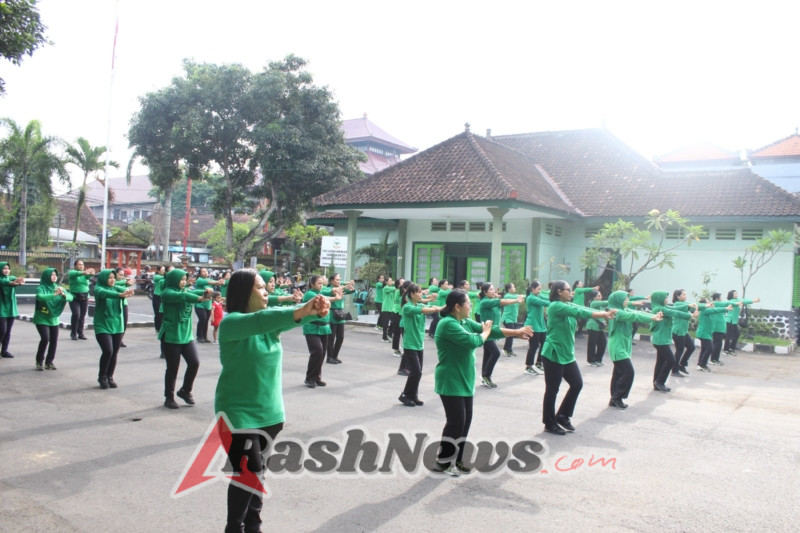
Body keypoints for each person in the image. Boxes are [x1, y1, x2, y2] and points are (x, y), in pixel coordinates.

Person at [214, 268, 329, 533]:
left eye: (267, 287)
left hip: (270, 415)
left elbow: (278, 320)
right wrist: (304, 310)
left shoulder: (269, 329)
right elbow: (263, 319)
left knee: (256, 475)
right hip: (237, 413)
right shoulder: (232, 323)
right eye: (260, 287)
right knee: (249, 473)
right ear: (243, 291)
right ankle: (234, 528)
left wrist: (311, 309)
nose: (266, 292)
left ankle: (253, 526)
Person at [433, 290, 532, 475]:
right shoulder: (447, 324)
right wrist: (485, 331)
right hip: (450, 381)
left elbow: (489, 331)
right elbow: (475, 340)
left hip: (465, 379)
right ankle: (443, 462)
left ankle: (458, 459)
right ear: (457, 306)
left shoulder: (463, 321)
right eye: (468, 303)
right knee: (455, 422)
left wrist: (516, 332)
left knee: (465, 422)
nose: (471, 306)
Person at [541, 280, 616, 435]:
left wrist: (603, 314)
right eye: (569, 290)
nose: (572, 292)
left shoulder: (567, 305)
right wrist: (603, 314)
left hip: (567, 355)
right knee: (552, 390)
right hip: (553, 353)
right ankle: (549, 423)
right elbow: (580, 313)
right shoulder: (555, 306)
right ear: (559, 291)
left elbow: (580, 308)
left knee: (577, 384)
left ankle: (563, 415)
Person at [159, 268, 212, 408]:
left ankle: (185, 391)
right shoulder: (167, 293)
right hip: (171, 335)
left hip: (186, 335)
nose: (183, 282)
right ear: (173, 280)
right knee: (172, 368)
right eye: (181, 280)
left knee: (194, 363)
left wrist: (204, 292)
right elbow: (184, 297)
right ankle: (168, 397)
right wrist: (200, 298)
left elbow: (191, 292)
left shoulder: (185, 291)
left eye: (184, 280)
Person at [606, 290, 663, 409]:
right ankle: (617, 397)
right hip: (617, 345)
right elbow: (634, 315)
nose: (627, 301)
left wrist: (652, 316)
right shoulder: (617, 312)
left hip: (624, 345)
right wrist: (652, 318)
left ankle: (614, 398)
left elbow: (634, 312)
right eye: (625, 299)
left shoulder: (624, 309)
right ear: (618, 300)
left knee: (618, 373)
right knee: (628, 372)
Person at [398, 283, 441, 407]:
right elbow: (426, 310)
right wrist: (439, 307)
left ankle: (413, 395)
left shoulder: (418, 304)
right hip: (410, 344)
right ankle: (405, 395)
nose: (421, 293)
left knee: (418, 371)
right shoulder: (407, 307)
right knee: (416, 371)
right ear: (412, 294)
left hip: (419, 343)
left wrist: (438, 304)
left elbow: (428, 305)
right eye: (419, 291)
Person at [477, 283, 524, 388]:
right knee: (495, 353)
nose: (493, 291)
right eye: (491, 290)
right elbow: (502, 301)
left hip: (493, 332)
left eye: (494, 289)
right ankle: (486, 376)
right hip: (487, 332)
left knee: (488, 353)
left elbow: (502, 302)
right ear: (485, 292)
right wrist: (517, 300)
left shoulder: (492, 301)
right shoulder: (485, 302)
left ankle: (485, 376)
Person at [94, 269, 134, 388]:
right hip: (102, 324)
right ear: (103, 279)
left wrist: (127, 290)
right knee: (108, 351)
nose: (112, 280)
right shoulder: (98, 289)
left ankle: (110, 376)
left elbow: (123, 289)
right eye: (109, 278)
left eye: (113, 278)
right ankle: (102, 376)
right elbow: (105, 293)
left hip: (117, 325)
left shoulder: (116, 287)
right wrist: (119, 295)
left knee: (114, 352)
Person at [649, 291, 696, 392]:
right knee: (671, 360)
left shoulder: (661, 307)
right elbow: (675, 313)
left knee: (660, 362)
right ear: (659, 299)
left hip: (662, 339)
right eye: (665, 298)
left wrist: (689, 306)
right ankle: (660, 382)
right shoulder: (659, 309)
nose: (667, 299)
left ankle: (656, 382)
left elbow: (674, 308)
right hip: (661, 339)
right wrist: (690, 315)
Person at [302, 275, 341, 388]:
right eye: (318, 283)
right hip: (312, 328)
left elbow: (328, 291)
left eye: (322, 283)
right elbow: (321, 298)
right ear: (312, 284)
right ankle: (309, 378)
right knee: (317, 352)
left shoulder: (322, 291)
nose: (321, 285)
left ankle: (317, 377)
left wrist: (339, 289)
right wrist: (335, 298)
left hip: (324, 327)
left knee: (322, 353)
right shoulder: (309, 294)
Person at [33, 268, 73, 371]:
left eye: (55, 274)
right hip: (41, 318)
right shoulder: (41, 288)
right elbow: (40, 297)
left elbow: (71, 297)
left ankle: (49, 362)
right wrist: (54, 294)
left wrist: (64, 295)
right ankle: (39, 361)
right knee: (45, 338)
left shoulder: (59, 288)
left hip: (54, 319)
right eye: (52, 275)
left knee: (54, 340)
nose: (54, 276)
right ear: (47, 276)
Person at [326, 273, 355, 364]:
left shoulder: (340, 288)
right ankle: (329, 357)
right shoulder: (329, 289)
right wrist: (346, 284)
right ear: (331, 281)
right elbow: (338, 288)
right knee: (331, 338)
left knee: (340, 337)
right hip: (332, 314)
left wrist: (351, 288)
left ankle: (335, 356)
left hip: (340, 314)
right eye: (337, 280)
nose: (339, 281)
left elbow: (350, 291)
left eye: (339, 279)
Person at [695, 298, 730, 372]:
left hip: (706, 333)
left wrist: (725, 308)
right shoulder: (705, 310)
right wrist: (726, 308)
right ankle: (702, 364)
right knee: (710, 348)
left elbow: (715, 309)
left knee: (704, 349)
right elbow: (715, 310)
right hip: (703, 333)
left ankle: (700, 364)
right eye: (708, 303)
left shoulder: (708, 311)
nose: (711, 303)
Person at [523, 280, 549, 376]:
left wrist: (556, 298)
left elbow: (547, 298)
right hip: (532, 325)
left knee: (544, 344)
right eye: (538, 289)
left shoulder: (538, 295)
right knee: (533, 346)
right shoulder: (530, 298)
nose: (540, 291)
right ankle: (528, 366)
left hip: (541, 326)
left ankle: (538, 363)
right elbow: (545, 302)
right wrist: (556, 303)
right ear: (533, 289)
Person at [0, 261, 25, 358]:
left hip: (11, 308)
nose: (6, 270)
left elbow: (16, 280)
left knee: (8, 331)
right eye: (4, 268)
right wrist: (12, 283)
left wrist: (20, 281)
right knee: (2, 330)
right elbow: (3, 282)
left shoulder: (11, 277)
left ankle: (4, 351)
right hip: (1, 308)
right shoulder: (3, 279)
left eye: (8, 268)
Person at [671, 289, 698, 376]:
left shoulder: (684, 304)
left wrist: (705, 306)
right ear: (678, 296)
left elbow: (692, 308)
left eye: (685, 294)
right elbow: (687, 306)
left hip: (684, 331)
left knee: (691, 347)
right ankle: (674, 370)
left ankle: (682, 364)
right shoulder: (677, 304)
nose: (685, 296)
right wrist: (692, 306)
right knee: (679, 351)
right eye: (683, 295)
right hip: (678, 331)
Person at [723, 290, 759, 355]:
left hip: (734, 321)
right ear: (731, 295)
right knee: (728, 335)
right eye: (735, 293)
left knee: (736, 334)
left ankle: (731, 348)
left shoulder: (738, 300)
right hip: (729, 320)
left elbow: (744, 301)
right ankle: (726, 350)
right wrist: (753, 301)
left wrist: (754, 301)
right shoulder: (731, 301)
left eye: (736, 293)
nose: (736, 294)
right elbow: (742, 302)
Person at [67, 260, 95, 340]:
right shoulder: (72, 272)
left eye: (82, 265)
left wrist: (91, 273)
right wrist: (85, 272)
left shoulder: (84, 274)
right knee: (76, 314)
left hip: (84, 296)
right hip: (74, 296)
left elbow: (88, 276)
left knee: (82, 316)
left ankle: (80, 333)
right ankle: (73, 332)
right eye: (79, 264)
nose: (81, 266)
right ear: (75, 266)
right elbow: (77, 274)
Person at [194, 267, 221, 343]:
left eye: (206, 271)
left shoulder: (209, 279)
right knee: (202, 318)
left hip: (208, 304)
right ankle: (199, 336)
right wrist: (216, 282)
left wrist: (220, 281)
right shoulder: (199, 280)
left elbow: (216, 282)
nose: (205, 272)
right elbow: (211, 282)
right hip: (200, 304)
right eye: (203, 271)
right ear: (199, 273)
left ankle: (204, 336)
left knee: (206, 320)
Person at [585, 290, 608, 367]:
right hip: (593, 326)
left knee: (603, 343)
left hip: (599, 327)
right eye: (598, 296)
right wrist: (614, 300)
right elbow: (605, 303)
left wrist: (604, 321)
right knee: (592, 344)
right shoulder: (594, 303)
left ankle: (598, 359)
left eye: (601, 295)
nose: (600, 297)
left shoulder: (601, 305)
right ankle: (591, 360)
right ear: (594, 297)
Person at [501, 283, 521, 357]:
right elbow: (518, 297)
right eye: (513, 287)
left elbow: (520, 297)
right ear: (509, 289)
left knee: (512, 334)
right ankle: (505, 349)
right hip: (507, 318)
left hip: (513, 319)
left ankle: (509, 350)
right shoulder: (507, 296)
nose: (515, 288)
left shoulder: (515, 296)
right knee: (510, 334)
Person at [115, 268, 134, 347]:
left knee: (124, 322)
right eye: (120, 275)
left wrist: (129, 283)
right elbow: (115, 285)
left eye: (123, 275)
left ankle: (119, 339)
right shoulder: (113, 281)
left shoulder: (123, 281)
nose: (121, 277)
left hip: (124, 303)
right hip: (115, 303)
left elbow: (127, 286)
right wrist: (125, 282)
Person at [152, 265, 166, 335]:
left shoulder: (165, 278)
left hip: (163, 297)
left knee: (163, 314)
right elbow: (164, 277)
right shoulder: (156, 276)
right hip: (157, 297)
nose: (164, 271)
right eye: (163, 270)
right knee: (157, 314)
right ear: (158, 271)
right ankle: (157, 328)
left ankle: (163, 328)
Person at [380, 276, 395, 343]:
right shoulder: (385, 288)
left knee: (394, 321)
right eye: (390, 280)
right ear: (386, 282)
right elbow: (394, 289)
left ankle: (389, 333)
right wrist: (398, 284)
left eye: (392, 280)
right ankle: (384, 337)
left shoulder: (391, 288)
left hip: (391, 308)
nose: (391, 282)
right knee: (385, 324)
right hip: (385, 308)